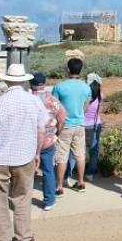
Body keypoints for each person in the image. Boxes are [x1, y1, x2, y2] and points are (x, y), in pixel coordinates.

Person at [0, 63, 48, 241]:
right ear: (24, 81)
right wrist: (37, 153)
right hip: (24, 156)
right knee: (22, 198)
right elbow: (41, 131)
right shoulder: (34, 102)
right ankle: (23, 239)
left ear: (7, 81)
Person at [51, 58, 92, 194]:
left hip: (64, 125)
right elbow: (86, 105)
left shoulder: (59, 87)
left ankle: (59, 186)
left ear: (68, 70)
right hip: (79, 124)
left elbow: (54, 107)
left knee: (61, 156)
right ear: (80, 70)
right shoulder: (86, 87)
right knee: (80, 155)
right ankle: (80, 182)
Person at [29, 72, 66, 211]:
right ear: (44, 83)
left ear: (31, 84)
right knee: (48, 171)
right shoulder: (53, 100)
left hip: (29, 141)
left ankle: (23, 200)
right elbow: (62, 118)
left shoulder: (28, 99)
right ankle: (49, 200)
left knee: (26, 172)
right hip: (48, 140)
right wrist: (56, 132)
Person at [83, 72, 103, 181]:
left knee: (79, 150)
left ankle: (73, 171)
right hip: (96, 124)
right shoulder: (100, 96)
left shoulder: (85, 97)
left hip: (84, 125)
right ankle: (90, 173)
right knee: (94, 150)